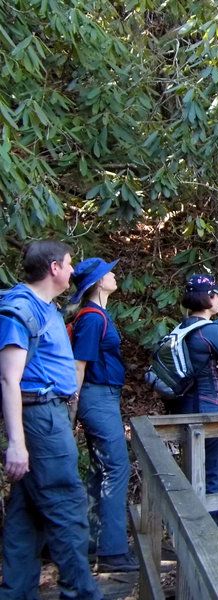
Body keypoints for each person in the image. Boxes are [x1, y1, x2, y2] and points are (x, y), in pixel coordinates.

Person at [0, 240, 103, 599]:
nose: (74, 271)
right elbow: (9, 378)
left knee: (26, 514)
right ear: (55, 268)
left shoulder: (47, 308)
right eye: (70, 264)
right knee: (66, 505)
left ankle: (16, 592)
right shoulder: (20, 309)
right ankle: (82, 593)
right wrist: (17, 443)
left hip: (50, 413)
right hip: (40, 417)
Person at [69, 257, 138, 572]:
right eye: (108, 272)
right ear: (98, 282)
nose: (114, 275)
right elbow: (79, 366)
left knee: (101, 470)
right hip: (96, 397)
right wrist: (72, 409)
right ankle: (112, 552)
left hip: (103, 396)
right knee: (116, 468)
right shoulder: (93, 318)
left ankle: (93, 544)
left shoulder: (99, 315)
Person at [173, 274, 218, 528]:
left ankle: (190, 527)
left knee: (191, 469)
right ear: (208, 298)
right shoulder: (210, 331)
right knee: (213, 469)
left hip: (183, 404)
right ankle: (211, 531)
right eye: (217, 295)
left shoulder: (182, 328)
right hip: (208, 404)